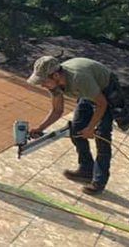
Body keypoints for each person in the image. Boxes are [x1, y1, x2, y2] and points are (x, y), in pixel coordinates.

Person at [27, 56, 123, 195]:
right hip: (88, 91)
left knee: (102, 136)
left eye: (44, 81)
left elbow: (101, 104)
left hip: (105, 89)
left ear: (55, 76)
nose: (42, 85)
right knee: (76, 129)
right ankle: (86, 169)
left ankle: (99, 182)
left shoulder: (79, 78)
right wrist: (40, 128)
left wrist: (91, 128)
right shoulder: (55, 85)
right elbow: (57, 110)